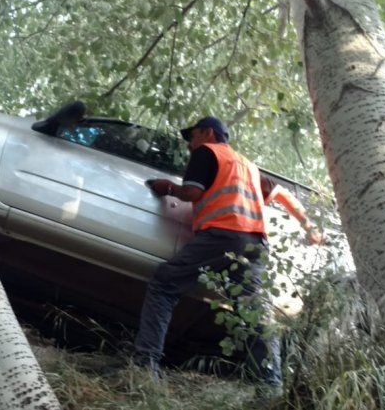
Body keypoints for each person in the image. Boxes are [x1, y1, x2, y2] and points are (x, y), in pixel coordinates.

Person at [135, 116, 320, 397]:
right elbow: (282, 195)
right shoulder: (247, 165)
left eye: (192, 135)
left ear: (208, 133)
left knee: (164, 283)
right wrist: (310, 227)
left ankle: (145, 365)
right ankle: (270, 387)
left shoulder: (206, 152)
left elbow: (192, 193)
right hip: (255, 244)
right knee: (256, 316)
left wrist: (167, 187)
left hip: (221, 236)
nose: (190, 143)